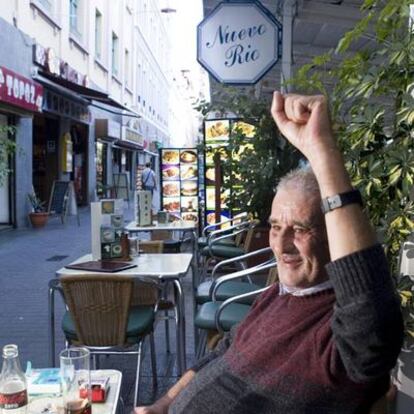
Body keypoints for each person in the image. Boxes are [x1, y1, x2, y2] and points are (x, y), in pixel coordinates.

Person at [134, 93, 403, 414]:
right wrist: (163, 405)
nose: (282, 243)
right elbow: (224, 351)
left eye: (301, 228)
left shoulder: (343, 336)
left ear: (335, 236)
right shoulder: (277, 294)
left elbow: (368, 310)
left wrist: (322, 150)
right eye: (276, 226)